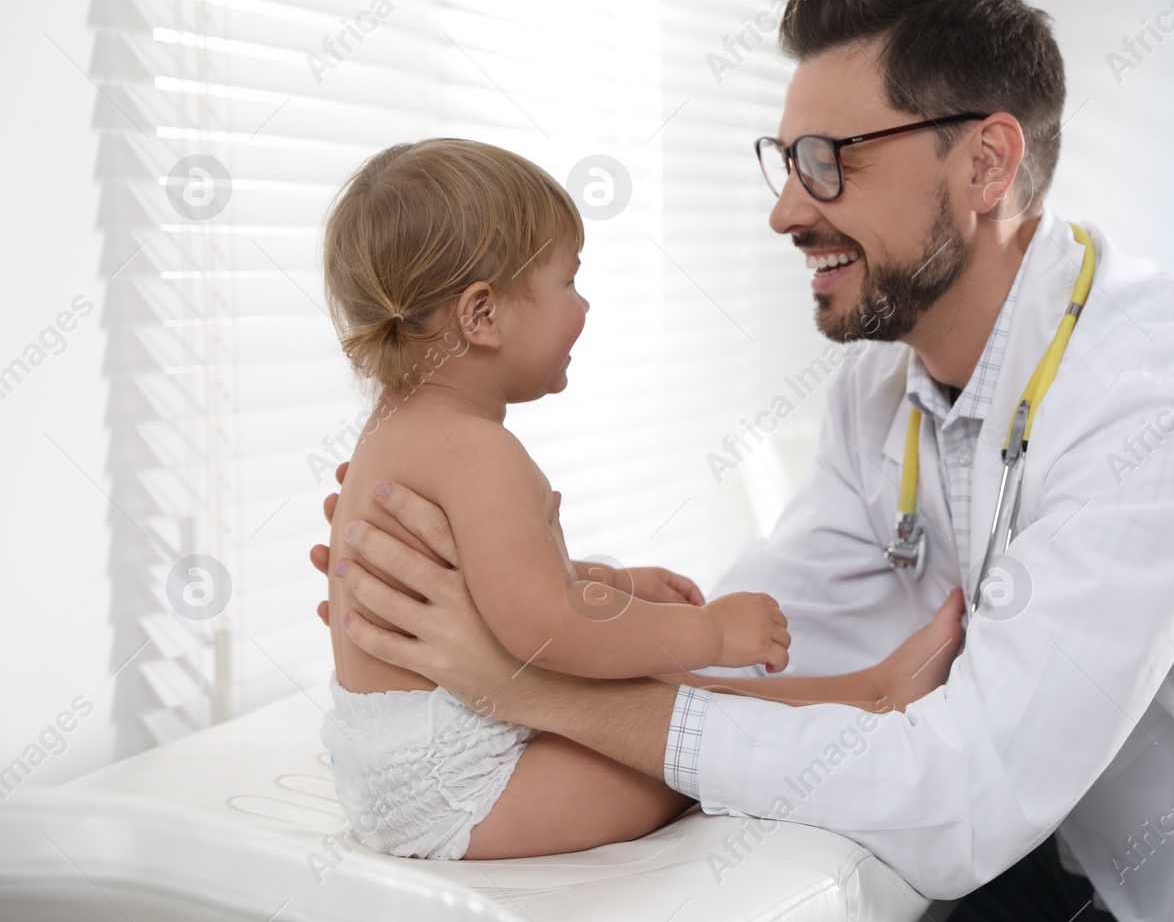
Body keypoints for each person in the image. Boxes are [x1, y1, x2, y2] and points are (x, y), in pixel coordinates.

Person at [313, 0, 1174, 919]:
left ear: (986, 162)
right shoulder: (879, 392)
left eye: (829, 161)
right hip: (1088, 852)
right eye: (785, 160)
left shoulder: (1162, 397)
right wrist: (493, 583)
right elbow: (757, 652)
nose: (787, 206)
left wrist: (522, 683)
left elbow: (965, 794)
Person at [315, 137, 962, 863]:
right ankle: (869, 696)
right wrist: (713, 633)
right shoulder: (479, 450)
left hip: (402, 763)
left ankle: (866, 690)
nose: (584, 306)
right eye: (568, 281)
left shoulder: (396, 430)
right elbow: (545, 629)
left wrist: (618, 586)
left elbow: (498, 584)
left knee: (650, 690)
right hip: (466, 786)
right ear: (483, 315)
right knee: (682, 747)